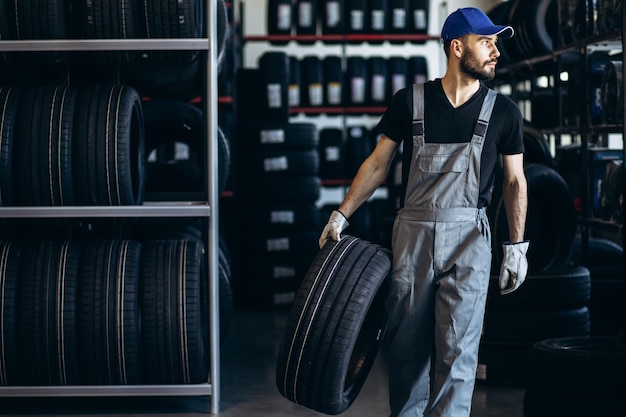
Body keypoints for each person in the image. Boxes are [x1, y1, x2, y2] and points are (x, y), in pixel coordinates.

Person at [318, 7, 529, 417]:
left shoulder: (503, 112)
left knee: (458, 352)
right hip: (412, 238)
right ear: (456, 47)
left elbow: (515, 182)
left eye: (495, 43)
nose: (495, 52)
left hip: (469, 240)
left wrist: (517, 246)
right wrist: (342, 213)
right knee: (406, 350)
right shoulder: (409, 102)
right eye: (485, 42)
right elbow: (378, 163)